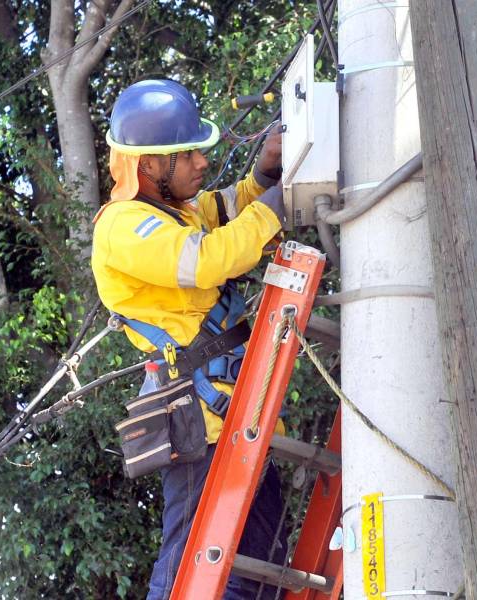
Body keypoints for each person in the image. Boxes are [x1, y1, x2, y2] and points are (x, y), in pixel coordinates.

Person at [91, 79, 287, 600]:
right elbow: (209, 259)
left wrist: (266, 175)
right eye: (188, 154)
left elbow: (232, 211)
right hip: (198, 425)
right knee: (192, 575)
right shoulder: (123, 226)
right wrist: (278, 204)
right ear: (150, 165)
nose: (202, 163)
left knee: (258, 576)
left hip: (243, 414)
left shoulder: (179, 211)